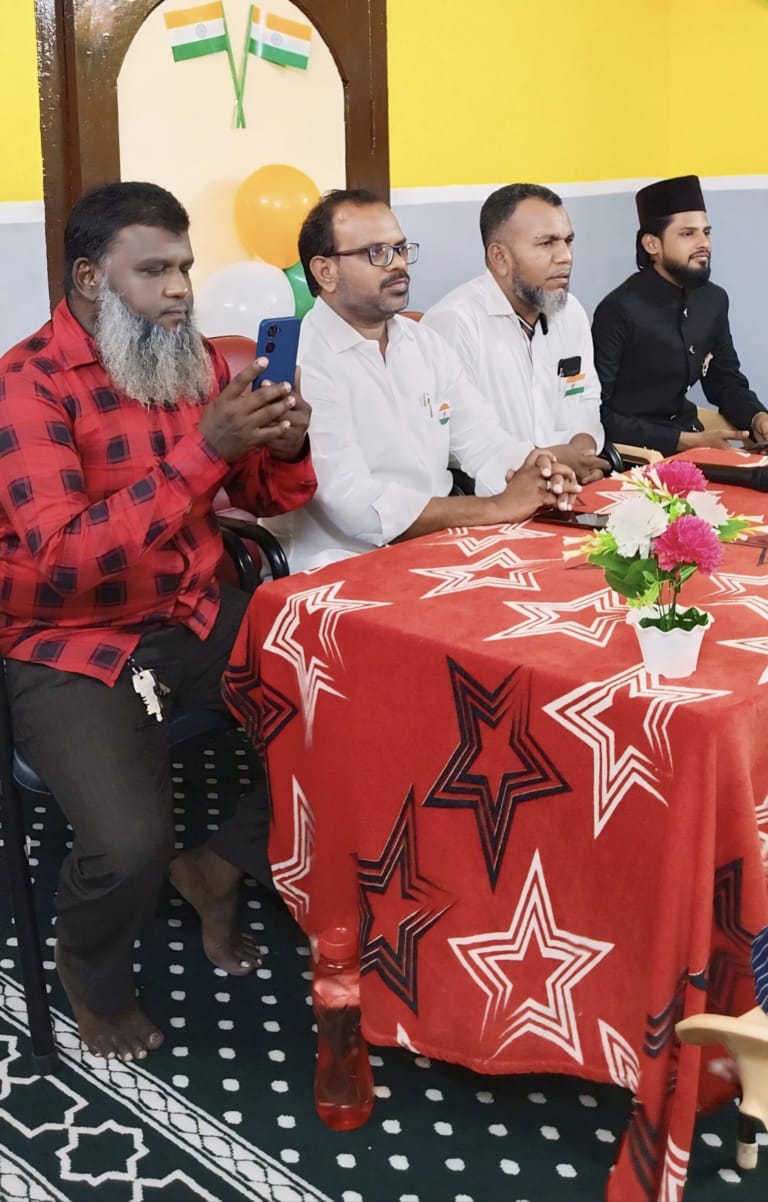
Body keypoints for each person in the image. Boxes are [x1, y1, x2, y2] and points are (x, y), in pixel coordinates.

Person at [0, 182, 315, 1061]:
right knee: (129, 844)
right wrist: (206, 449)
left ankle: (218, 864)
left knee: (354, 696)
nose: (179, 289)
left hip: (195, 608)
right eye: (154, 270)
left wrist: (282, 445)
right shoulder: (26, 385)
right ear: (90, 279)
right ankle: (90, 973)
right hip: (71, 643)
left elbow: (263, 496)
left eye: (185, 266)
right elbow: (66, 559)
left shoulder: (192, 360)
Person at [261, 189, 580, 572]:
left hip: (440, 547)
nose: (398, 264)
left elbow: (482, 441)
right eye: (377, 253)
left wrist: (536, 471)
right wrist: (496, 507)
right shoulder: (304, 363)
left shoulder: (424, 343)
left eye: (400, 249)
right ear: (325, 272)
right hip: (340, 563)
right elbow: (357, 507)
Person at [422, 183, 607, 484]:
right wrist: (548, 462)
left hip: (571, 483)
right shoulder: (455, 322)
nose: (565, 256)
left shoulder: (570, 311)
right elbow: (453, 438)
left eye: (568, 241)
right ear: (500, 257)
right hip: (492, 493)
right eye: (546, 243)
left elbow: (586, 396)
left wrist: (582, 450)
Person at [592, 174, 768, 456]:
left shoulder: (713, 300)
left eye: (706, 232)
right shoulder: (619, 309)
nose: (704, 243)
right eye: (688, 234)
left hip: (691, 438)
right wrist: (680, 440)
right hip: (636, 454)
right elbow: (594, 411)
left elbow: (724, 381)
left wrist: (757, 417)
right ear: (652, 245)